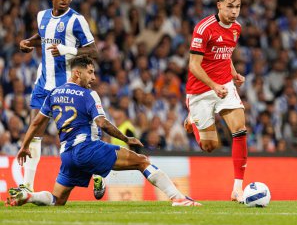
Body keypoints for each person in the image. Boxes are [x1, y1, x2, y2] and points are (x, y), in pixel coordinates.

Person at [6, 57, 201, 207]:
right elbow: (102, 122)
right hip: (87, 148)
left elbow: (37, 122)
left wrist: (24, 146)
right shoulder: (88, 94)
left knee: (57, 199)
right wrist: (126, 138)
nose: (93, 77)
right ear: (76, 73)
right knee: (142, 161)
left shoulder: (54, 94)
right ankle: (178, 198)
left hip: (67, 154)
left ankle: (29, 196)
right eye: (89, 72)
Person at [13, 0, 106, 199]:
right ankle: (26, 187)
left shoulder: (77, 20)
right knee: (34, 132)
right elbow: (43, 37)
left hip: (68, 87)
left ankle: (99, 172)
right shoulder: (41, 16)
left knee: (81, 135)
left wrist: (68, 50)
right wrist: (28, 41)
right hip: (44, 83)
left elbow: (94, 51)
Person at [183, 0, 247, 202]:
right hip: (201, 90)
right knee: (210, 146)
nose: (234, 11)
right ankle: (192, 118)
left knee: (240, 129)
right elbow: (194, 65)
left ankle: (238, 188)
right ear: (219, 5)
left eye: (238, 6)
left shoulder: (236, 28)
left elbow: (225, 55)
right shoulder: (204, 28)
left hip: (225, 86)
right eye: (230, 6)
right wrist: (212, 86)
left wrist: (234, 73)